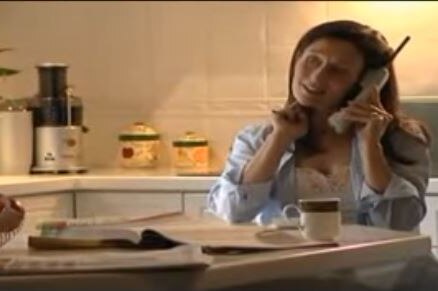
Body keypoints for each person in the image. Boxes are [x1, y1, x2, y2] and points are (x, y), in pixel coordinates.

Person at [206, 20, 431, 231]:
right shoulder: (257, 138)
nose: (316, 77)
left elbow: (399, 223)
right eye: (312, 60)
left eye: (337, 70)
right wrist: (278, 140)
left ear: (368, 82)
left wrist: (370, 146)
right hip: (288, 269)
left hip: (379, 271)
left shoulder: (402, 141)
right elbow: (232, 211)